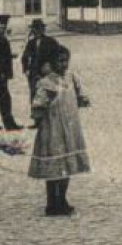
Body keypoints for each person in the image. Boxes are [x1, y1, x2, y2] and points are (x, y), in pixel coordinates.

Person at [30, 47, 91, 216]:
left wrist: (83, 100)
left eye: (66, 61)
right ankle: (52, 203)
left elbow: (78, 96)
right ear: (51, 63)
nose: (64, 64)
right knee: (54, 168)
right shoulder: (47, 82)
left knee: (67, 166)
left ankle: (62, 199)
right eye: (60, 61)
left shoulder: (71, 78)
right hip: (53, 129)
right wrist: (39, 115)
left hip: (70, 128)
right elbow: (38, 105)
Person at [20, 18, 63, 103]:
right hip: (33, 74)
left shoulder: (51, 41)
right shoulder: (31, 43)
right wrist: (26, 70)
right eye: (35, 29)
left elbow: (59, 55)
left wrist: (53, 69)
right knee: (34, 94)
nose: (37, 31)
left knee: (47, 95)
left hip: (47, 74)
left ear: (43, 30)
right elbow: (24, 57)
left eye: (40, 28)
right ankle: (35, 113)